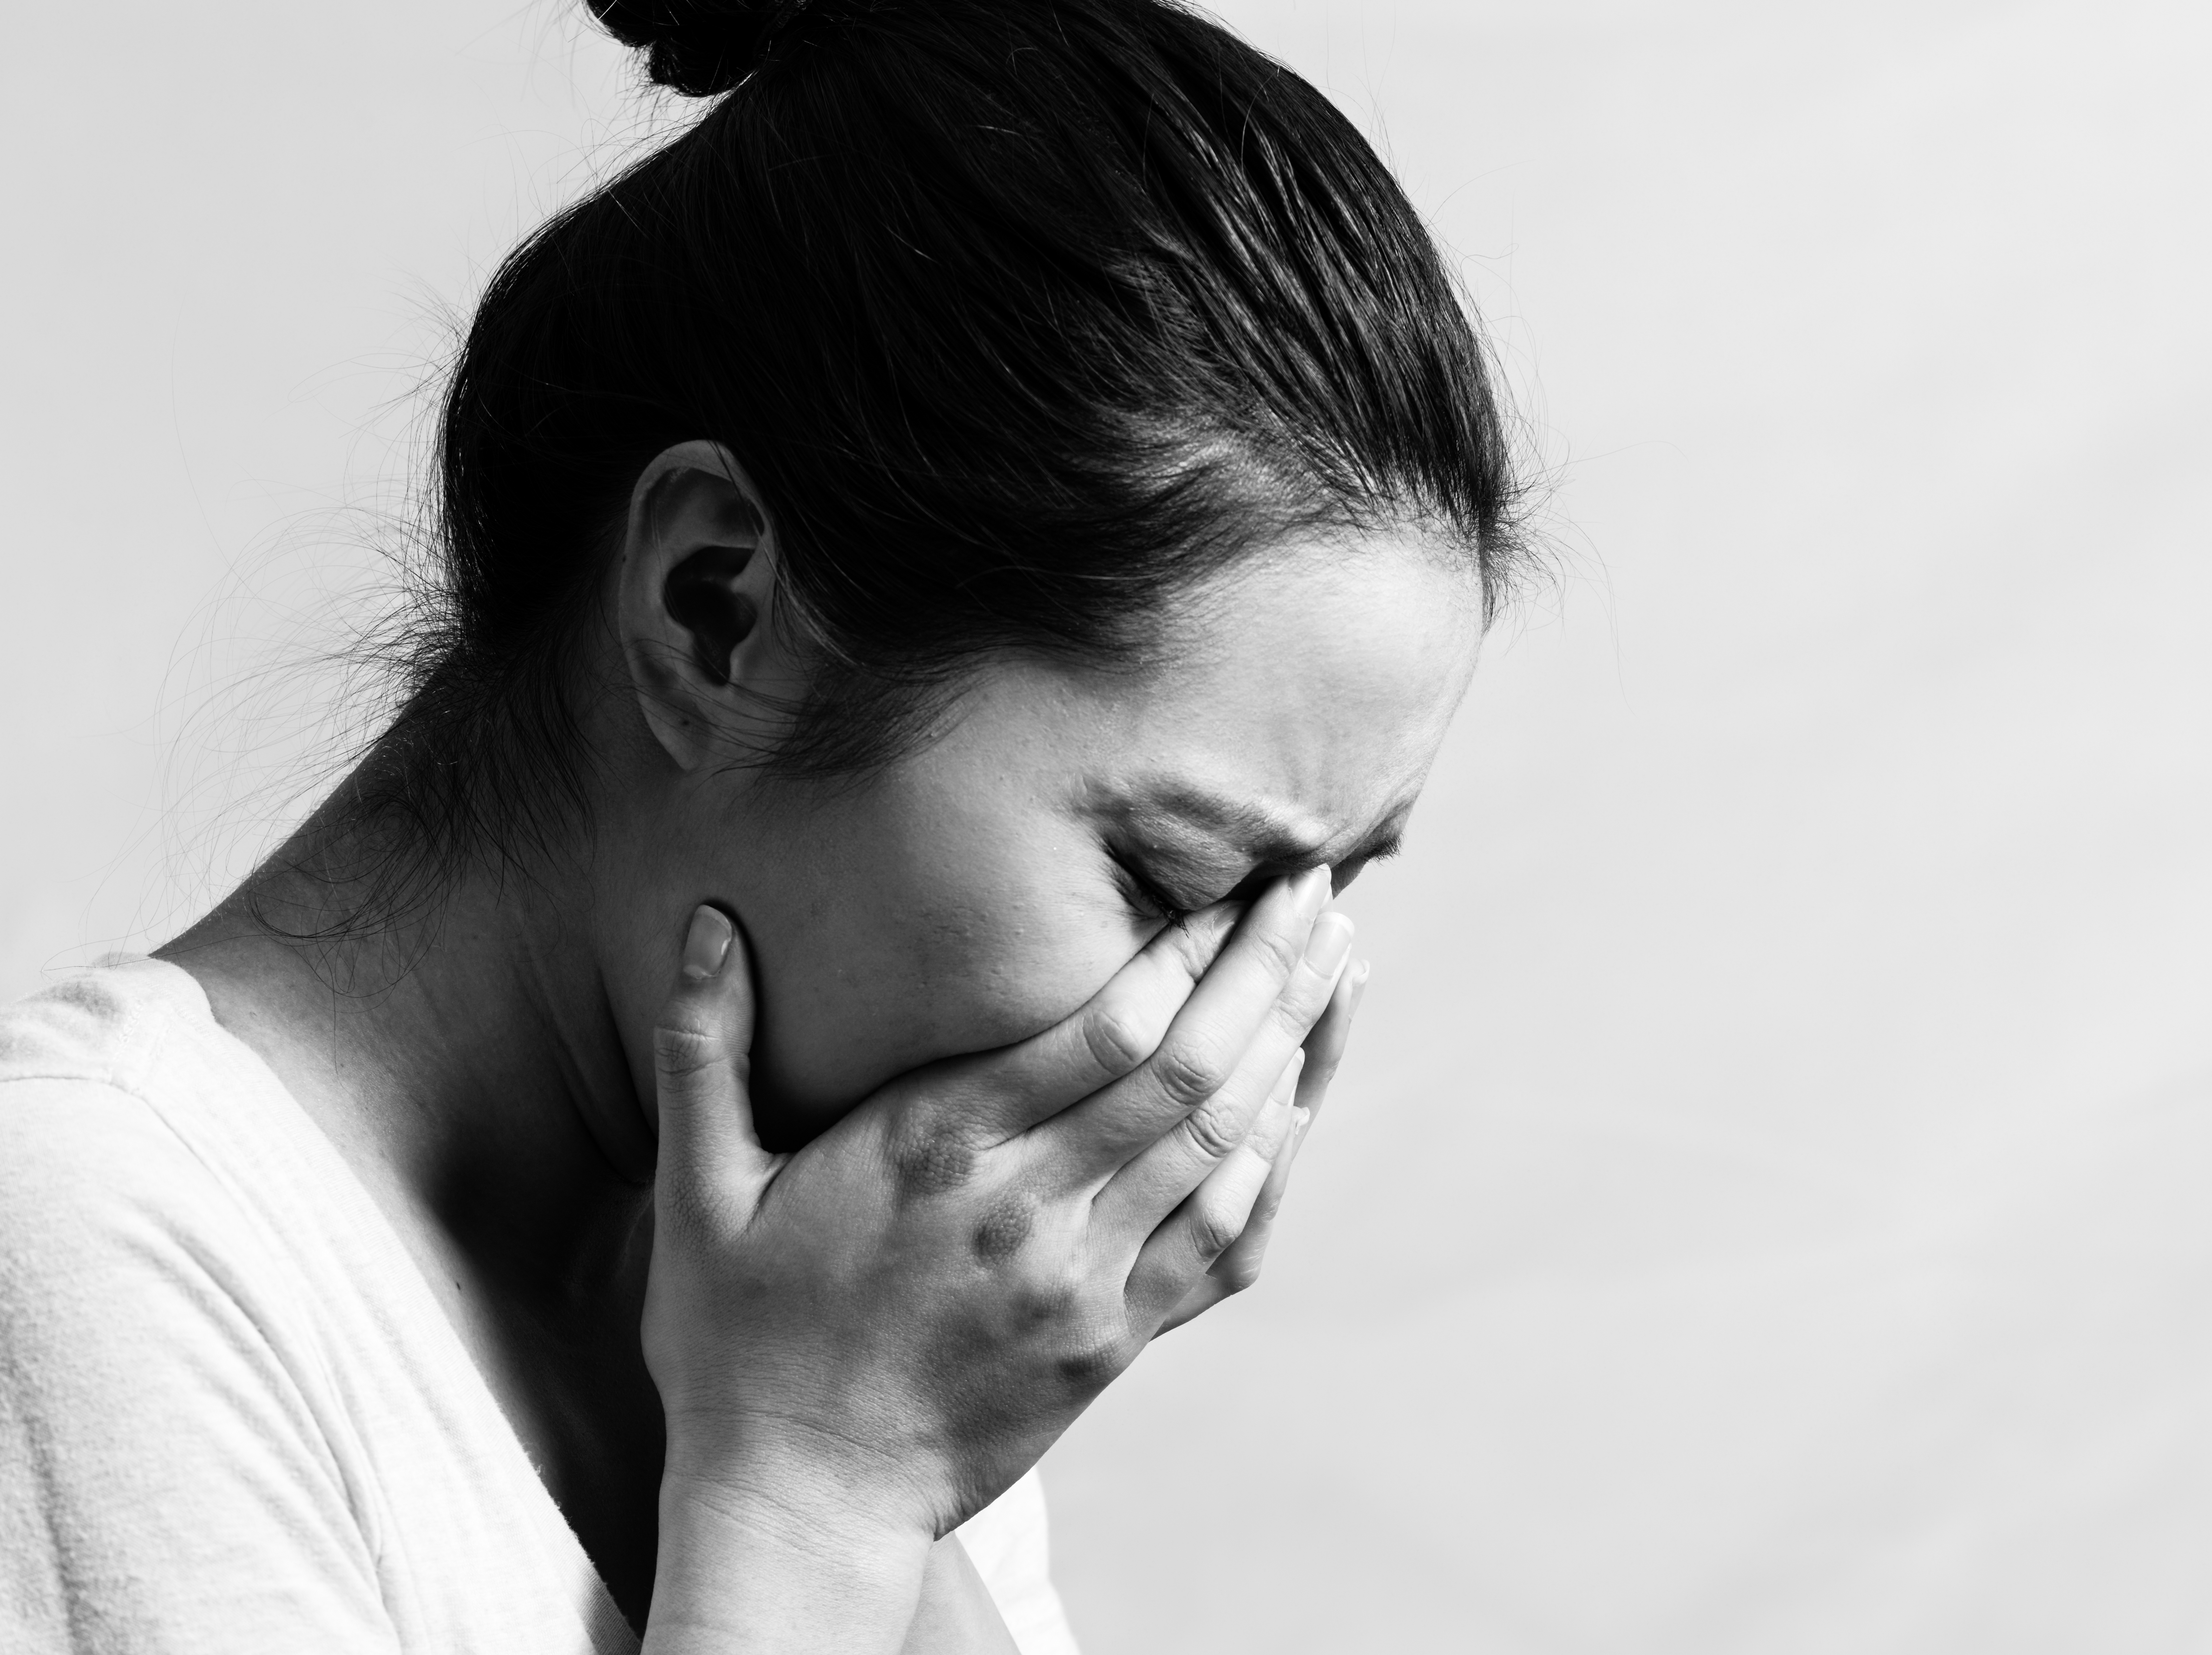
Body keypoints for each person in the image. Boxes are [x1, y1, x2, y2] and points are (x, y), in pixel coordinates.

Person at [0, 0, 1527, 1649]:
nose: (1232, 1048)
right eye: (1177, 882)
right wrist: (812, 1505)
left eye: (1318, 908)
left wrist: (870, 1470)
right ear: (713, 608)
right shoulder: (88, 1255)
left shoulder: (842, 1295)